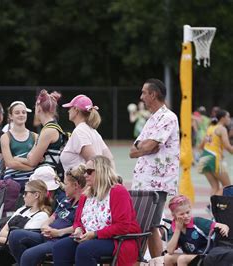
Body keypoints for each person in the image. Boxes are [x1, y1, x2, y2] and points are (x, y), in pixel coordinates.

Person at [52, 156, 141, 266]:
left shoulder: (118, 192)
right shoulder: (86, 194)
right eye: (85, 171)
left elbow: (122, 226)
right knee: (60, 247)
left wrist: (94, 234)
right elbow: (78, 221)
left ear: (101, 171)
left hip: (115, 239)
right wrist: (79, 229)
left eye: (89, 172)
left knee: (84, 249)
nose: (85, 175)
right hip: (88, 237)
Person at [129, 78, 179, 258]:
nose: (141, 96)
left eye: (144, 92)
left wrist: (145, 146)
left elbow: (148, 147)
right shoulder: (152, 119)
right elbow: (132, 151)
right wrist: (146, 146)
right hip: (144, 181)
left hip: (157, 182)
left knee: (149, 226)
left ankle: (151, 261)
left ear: (153, 94)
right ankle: (146, 261)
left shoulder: (168, 117)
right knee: (146, 226)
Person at [8, 165, 86, 266]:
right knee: (15, 235)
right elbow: (53, 217)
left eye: (66, 184)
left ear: (75, 185)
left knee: (28, 255)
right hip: (47, 235)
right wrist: (45, 225)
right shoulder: (66, 200)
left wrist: (57, 233)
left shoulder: (85, 203)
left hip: (60, 240)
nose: (63, 186)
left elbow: (80, 226)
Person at [164, 195, 229, 266]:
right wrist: (178, 230)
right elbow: (170, 251)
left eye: (187, 212)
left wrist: (224, 228)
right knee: (167, 257)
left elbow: (222, 225)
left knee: (182, 259)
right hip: (191, 255)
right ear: (174, 215)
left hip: (207, 254)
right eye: (182, 214)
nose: (186, 216)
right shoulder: (174, 227)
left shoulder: (197, 222)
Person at [60, 94, 114, 172]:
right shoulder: (93, 131)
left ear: (76, 110)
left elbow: (93, 160)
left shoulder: (80, 131)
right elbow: (109, 158)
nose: (68, 111)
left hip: (81, 183)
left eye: (70, 108)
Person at [16, 90, 64, 174]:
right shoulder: (51, 128)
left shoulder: (48, 131)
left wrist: (16, 159)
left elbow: (32, 161)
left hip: (48, 179)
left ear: (39, 109)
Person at [0, 101, 37, 188]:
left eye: (23, 112)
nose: (21, 115)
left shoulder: (35, 136)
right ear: (10, 116)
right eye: (17, 113)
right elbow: (9, 163)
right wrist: (31, 168)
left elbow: (38, 160)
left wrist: (17, 159)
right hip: (13, 179)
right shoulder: (5, 137)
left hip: (32, 179)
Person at [198, 109, 233, 197]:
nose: (229, 119)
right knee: (227, 186)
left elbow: (201, 146)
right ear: (223, 118)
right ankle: (213, 206)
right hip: (213, 158)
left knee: (215, 187)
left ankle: (211, 207)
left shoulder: (210, 128)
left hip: (204, 158)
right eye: (228, 117)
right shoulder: (222, 129)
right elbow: (227, 146)